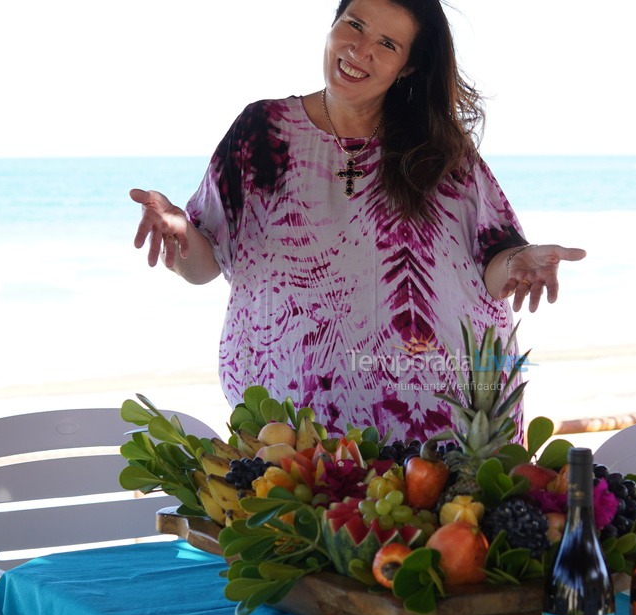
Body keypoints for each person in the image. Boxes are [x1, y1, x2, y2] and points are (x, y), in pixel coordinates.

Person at [130, 0, 584, 441]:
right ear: (333, 25)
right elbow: (204, 266)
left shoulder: (438, 149)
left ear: (407, 66)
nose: (360, 50)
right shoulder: (262, 131)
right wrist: (178, 232)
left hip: (440, 427)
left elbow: (494, 261)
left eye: (387, 44)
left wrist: (519, 263)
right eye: (354, 24)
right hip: (293, 428)